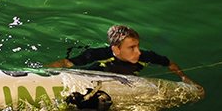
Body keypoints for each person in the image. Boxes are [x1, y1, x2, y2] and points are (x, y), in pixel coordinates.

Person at [46, 25, 205, 95]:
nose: (138, 52)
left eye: (138, 46)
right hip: (96, 79)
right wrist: (46, 70)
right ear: (116, 49)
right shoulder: (98, 54)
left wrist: (184, 78)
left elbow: (169, 63)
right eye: (131, 48)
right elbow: (67, 64)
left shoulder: (146, 56)